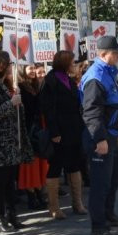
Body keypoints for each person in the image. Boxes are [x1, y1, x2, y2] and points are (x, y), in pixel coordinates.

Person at [80, 36, 118, 235]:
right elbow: (91, 112)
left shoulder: (107, 73)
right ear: (102, 55)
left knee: (115, 175)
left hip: (109, 136)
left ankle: (108, 214)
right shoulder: (96, 77)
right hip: (100, 138)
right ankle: (98, 226)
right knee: (100, 183)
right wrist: (100, 139)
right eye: (115, 53)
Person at [0, 50, 30, 232]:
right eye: (8, 64)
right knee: (0, 181)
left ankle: (11, 214)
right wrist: (12, 103)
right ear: (0, 65)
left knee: (10, 181)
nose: (11, 67)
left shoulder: (4, 84)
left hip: (10, 142)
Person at [39, 50, 88, 219]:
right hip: (59, 130)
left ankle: (77, 203)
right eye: (73, 62)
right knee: (56, 165)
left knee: (75, 163)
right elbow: (48, 109)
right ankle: (54, 207)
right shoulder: (51, 80)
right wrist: (54, 131)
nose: (75, 65)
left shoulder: (69, 79)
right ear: (65, 62)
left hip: (74, 128)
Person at [17, 64, 48, 210]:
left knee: (39, 162)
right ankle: (32, 196)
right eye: (29, 68)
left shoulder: (37, 86)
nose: (33, 72)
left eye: (33, 69)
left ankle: (39, 193)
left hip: (38, 129)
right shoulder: (20, 88)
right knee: (30, 165)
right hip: (28, 130)